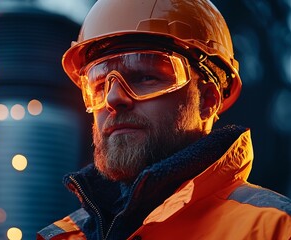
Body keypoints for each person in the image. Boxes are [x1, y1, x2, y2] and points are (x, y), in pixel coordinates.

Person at [37, 0, 291, 239]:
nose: (113, 98)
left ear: (207, 100)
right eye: (100, 84)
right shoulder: (64, 236)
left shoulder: (273, 229)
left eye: (145, 77)